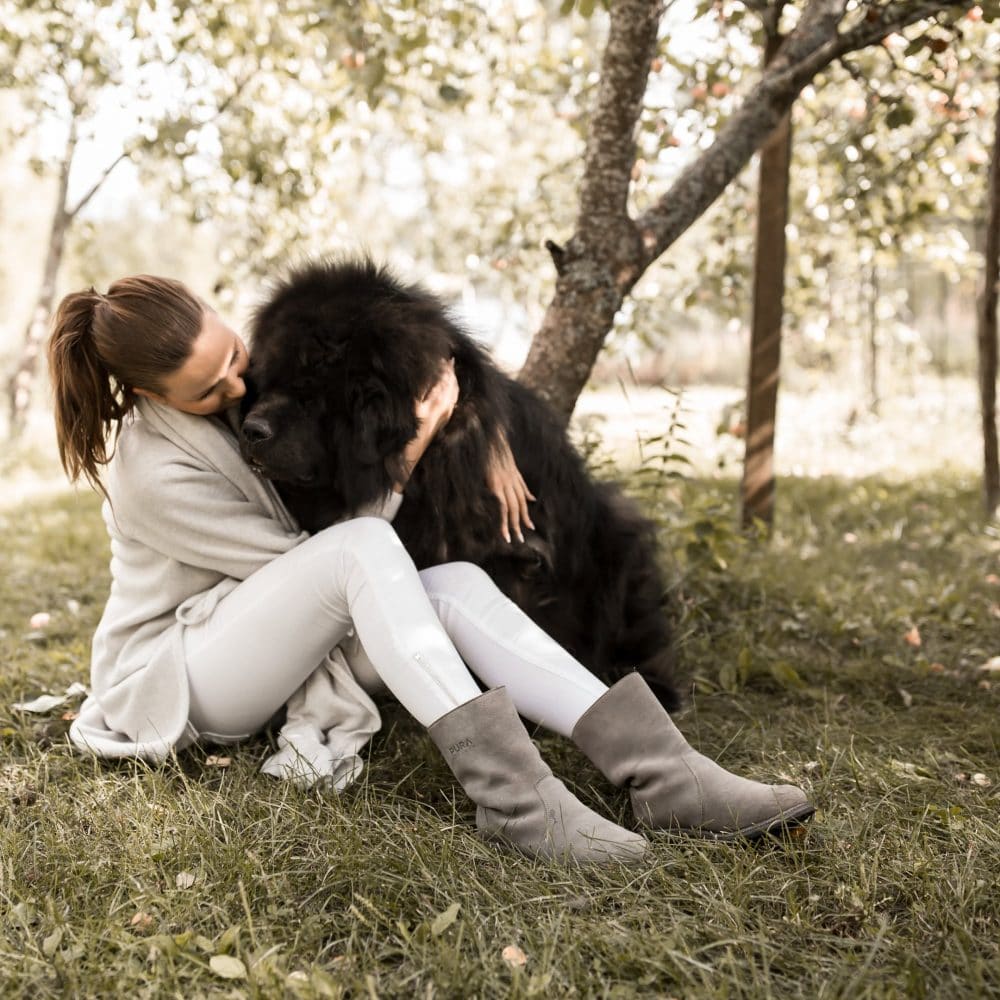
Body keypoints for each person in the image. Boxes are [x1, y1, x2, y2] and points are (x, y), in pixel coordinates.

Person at [47, 274, 814, 865]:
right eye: (209, 390)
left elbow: (394, 358)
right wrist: (413, 449)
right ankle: (517, 805)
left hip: (267, 638)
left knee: (457, 587)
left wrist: (489, 433)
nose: (239, 390)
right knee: (364, 549)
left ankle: (665, 774)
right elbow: (318, 564)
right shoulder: (148, 473)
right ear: (147, 394)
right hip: (185, 676)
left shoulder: (223, 389)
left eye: (234, 361)